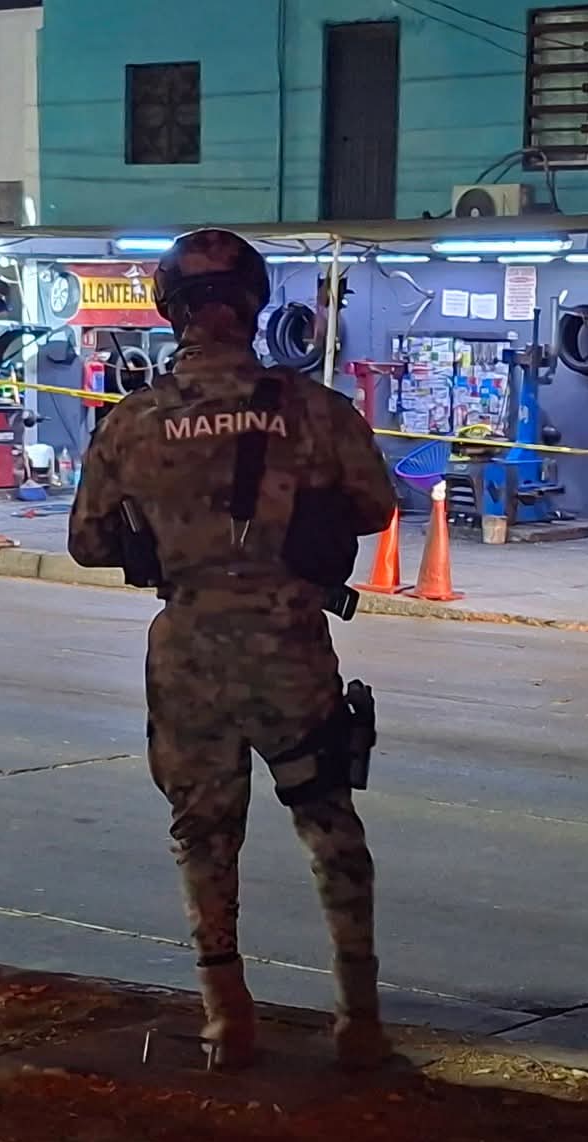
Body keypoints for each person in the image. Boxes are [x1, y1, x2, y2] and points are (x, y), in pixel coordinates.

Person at [68, 229, 399, 1072]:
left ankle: (227, 1018)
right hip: (291, 646)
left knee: (204, 836)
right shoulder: (314, 409)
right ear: (254, 305)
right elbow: (374, 506)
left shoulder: (134, 420)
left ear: (170, 310)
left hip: (189, 653)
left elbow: (88, 541)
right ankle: (358, 1020)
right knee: (328, 821)